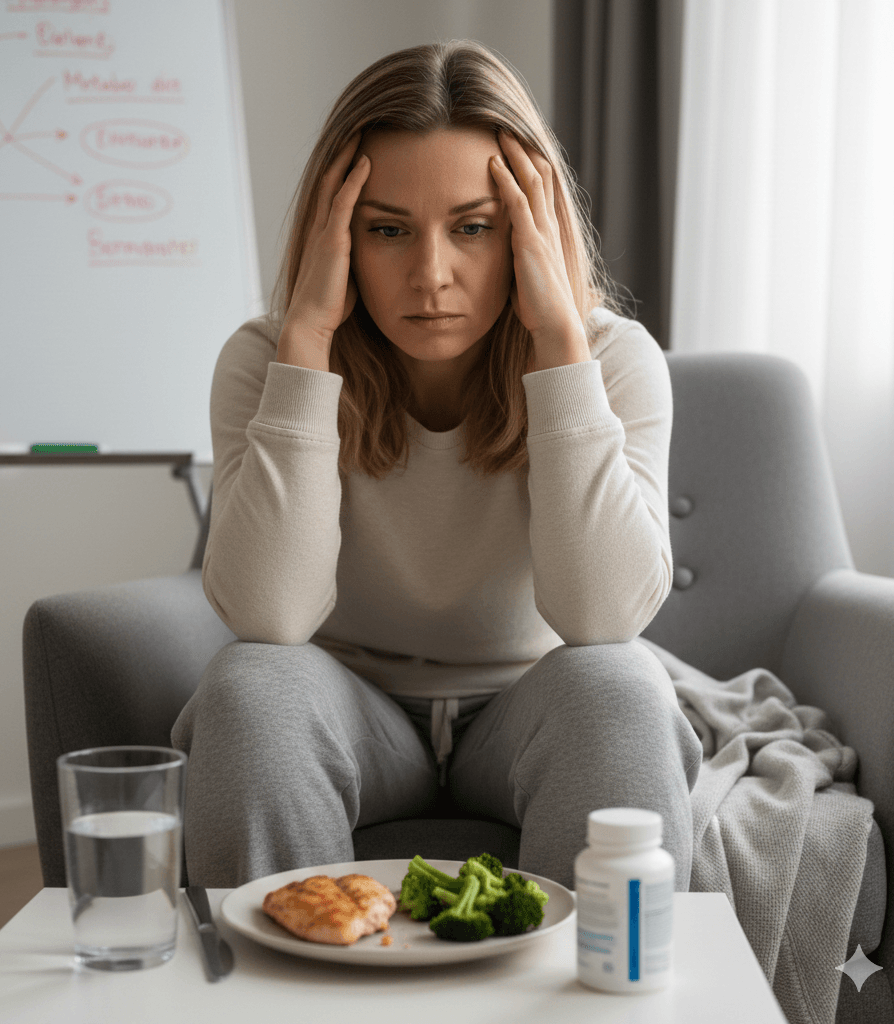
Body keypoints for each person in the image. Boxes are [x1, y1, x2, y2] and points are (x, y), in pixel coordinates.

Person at [172, 39, 703, 891]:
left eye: (474, 228)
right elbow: (269, 615)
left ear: (530, 230)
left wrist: (559, 347)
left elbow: (603, 617)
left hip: (529, 710)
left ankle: (600, 978)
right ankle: (275, 973)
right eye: (387, 230)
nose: (431, 275)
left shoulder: (613, 359)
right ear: (337, 235)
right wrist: (306, 343)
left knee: (622, 686)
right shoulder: (263, 360)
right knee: (249, 686)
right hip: (352, 708)